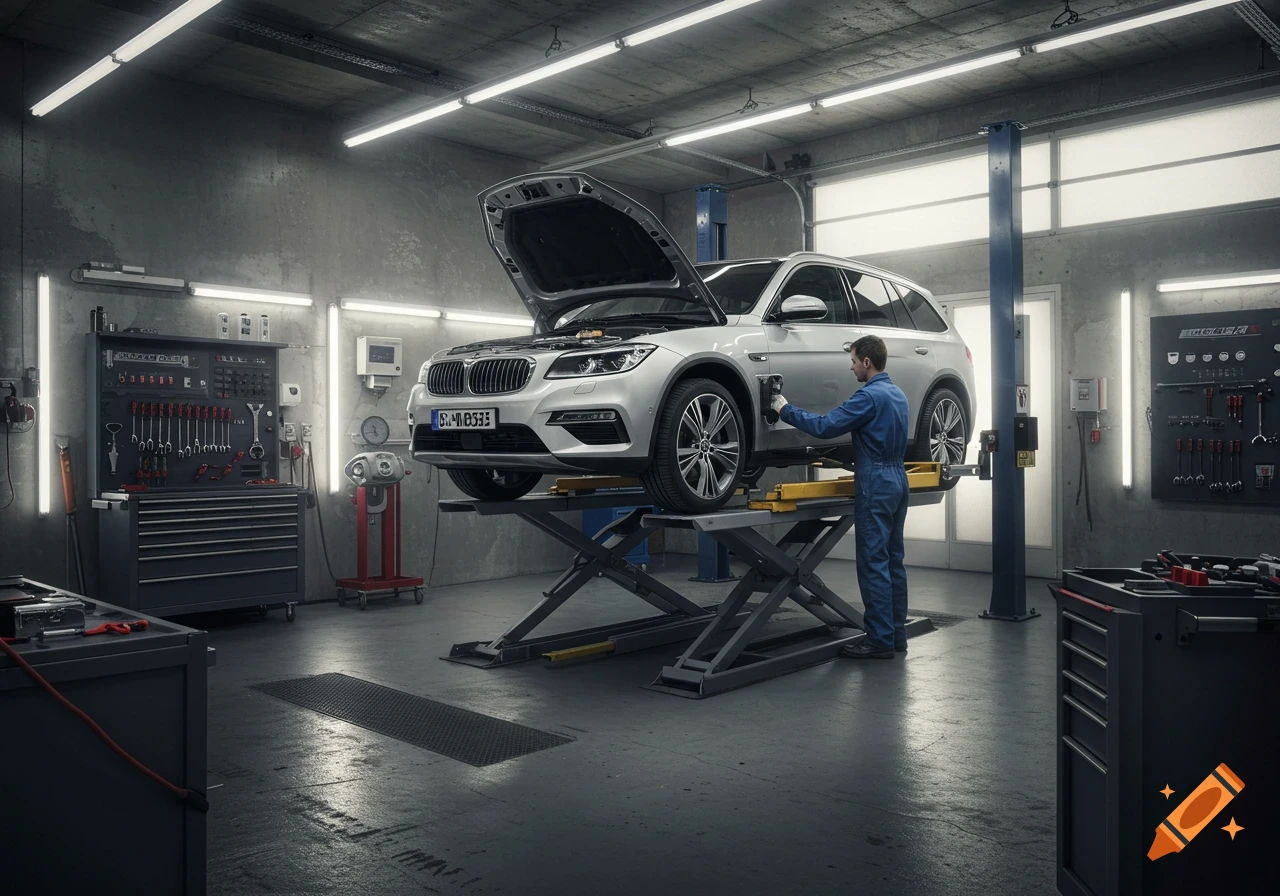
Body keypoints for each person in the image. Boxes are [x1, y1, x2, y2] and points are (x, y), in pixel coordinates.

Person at [771, 334, 909, 659]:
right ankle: (896, 636)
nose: (851, 368)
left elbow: (824, 426)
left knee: (873, 563)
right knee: (893, 561)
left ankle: (878, 642)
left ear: (866, 362)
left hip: (875, 481)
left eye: (852, 361)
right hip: (898, 479)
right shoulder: (898, 394)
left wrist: (784, 408)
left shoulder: (869, 397)